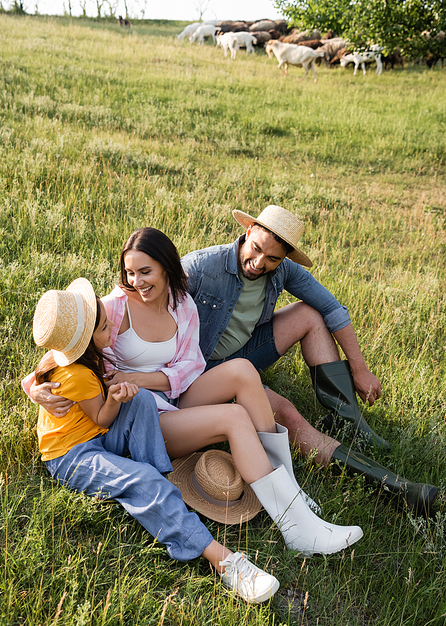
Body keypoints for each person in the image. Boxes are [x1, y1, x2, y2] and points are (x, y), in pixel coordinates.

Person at [25, 231, 364, 557]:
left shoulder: (182, 304)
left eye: (146, 272)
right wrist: (34, 388)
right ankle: (295, 526)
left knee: (244, 372)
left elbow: (190, 365)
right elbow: (61, 352)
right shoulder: (114, 306)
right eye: (130, 273)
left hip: (171, 394)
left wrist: (143, 378)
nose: (137, 281)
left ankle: (290, 490)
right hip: (141, 416)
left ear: (167, 268)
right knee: (233, 417)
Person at [31, 276, 280, 604]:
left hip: (98, 433)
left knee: (144, 400)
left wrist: (120, 396)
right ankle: (224, 561)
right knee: (143, 478)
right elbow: (100, 416)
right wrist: (110, 400)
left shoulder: (83, 355)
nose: (113, 329)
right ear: (85, 342)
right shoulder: (75, 372)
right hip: (71, 456)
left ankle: (164, 494)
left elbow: (43, 376)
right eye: (105, 328)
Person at [181, 205, 437, 516]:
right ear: (248, 232)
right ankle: (394, 488)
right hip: (202, 372)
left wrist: (360, 369)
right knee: (288, 414)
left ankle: (349, 424)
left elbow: (333, 310)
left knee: (310, 314)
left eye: (272, 258)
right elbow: (147, 299)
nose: (258, 263)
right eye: (256, 249)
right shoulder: (201, 266)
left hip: (241, 354)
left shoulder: (283, 271)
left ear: (284, 258)